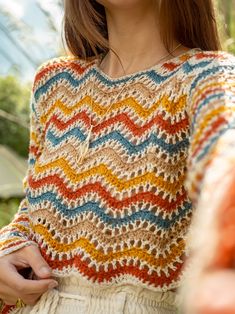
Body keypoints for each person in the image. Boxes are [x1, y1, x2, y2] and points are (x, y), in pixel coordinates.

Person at [0, 0, 234, 313]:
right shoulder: (54, 84)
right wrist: (9, 245)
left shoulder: (207, 78)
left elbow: (222, 165)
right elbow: (32, 209)